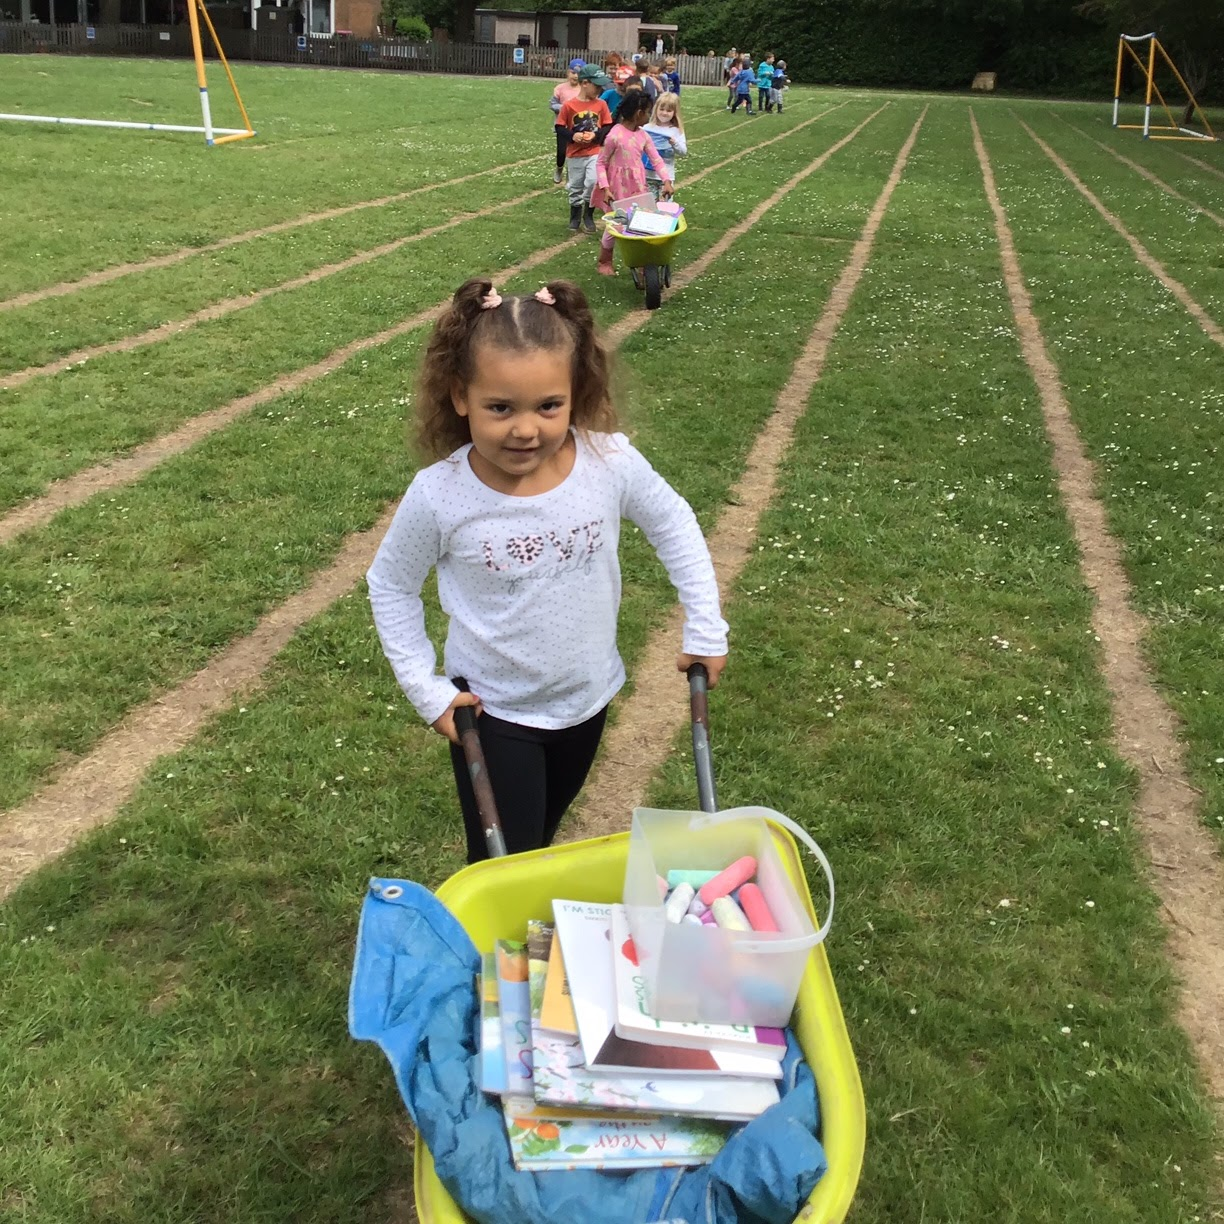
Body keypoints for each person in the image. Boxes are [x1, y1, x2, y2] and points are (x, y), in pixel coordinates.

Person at [366, 279, 729, 862]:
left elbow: (674, 524)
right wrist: (426, 689)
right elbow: (391, 583)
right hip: (492, 713)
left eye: (548, 406)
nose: (526, 429)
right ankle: (493, 951)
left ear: (574, 392)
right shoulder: (440, 495)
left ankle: (523, 943)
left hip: (587, 699)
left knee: (537, 845)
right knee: (505, 865)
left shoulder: (609, 464)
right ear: (461, 397)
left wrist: (706, 625)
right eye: (500, 407)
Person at [592, 91, 674, 275]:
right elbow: (601, 163)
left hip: (637, 188)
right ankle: (604, 261)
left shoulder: (643, 136)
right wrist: (605, 188)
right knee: (615, 226)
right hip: (616, 190)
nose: (649, 115)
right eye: (647, 112)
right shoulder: (615, 135)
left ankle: (644, 264)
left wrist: (666, 180)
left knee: (641, 224)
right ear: (638, 113)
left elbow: (656, 160)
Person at [556, 64, 613, 233]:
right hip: (574, 154)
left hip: (594, 152)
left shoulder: (601, 104)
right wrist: (573, 136)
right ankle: (575, 216)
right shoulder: (569, 105)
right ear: (585, 83)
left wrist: (595, 136)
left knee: (592, 181)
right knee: (575, 186)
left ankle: (588, 215)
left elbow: (608, 126)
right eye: (597, 86)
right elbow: (560, 128)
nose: (600, 89)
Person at [643, 91, 686, 201]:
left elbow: (683, 152)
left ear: (674, 112)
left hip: (666, 177)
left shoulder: (676, 131)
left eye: (669, 110)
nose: (664, 113)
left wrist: (674, 143)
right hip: (647, 175)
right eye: (661, 109)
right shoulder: (647, 127)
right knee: (648, 209)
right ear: (656, 109)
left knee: (665, 209)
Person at [549, 58, 583, 185]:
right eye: (573, 72)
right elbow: (552, 104)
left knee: (574, 153)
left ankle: (571, 175)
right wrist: (564, 108)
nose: (575, 76)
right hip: (562, 125)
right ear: (568, 73)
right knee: (562, 151)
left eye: (578, 73)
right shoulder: (560, 88)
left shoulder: (583, 89)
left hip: (577, 126)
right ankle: (559, 168)